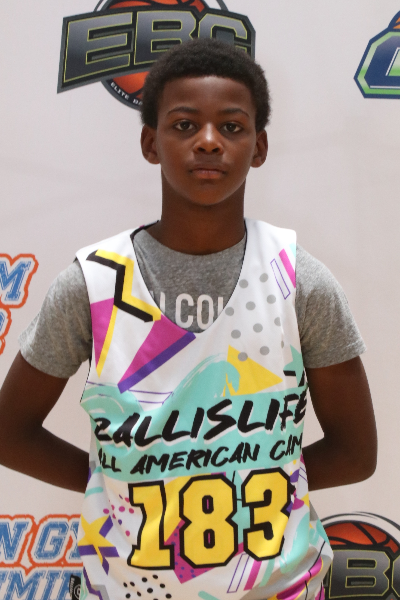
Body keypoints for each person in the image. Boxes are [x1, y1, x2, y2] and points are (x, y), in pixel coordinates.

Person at [0, 39, 376, 600]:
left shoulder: (300, 282)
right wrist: (122, 487)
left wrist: (245, 484)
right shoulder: (93, 284)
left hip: (279, 588)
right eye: (184, 125)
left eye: (231, 126)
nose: (208, 141)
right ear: (150, 143)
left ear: (259, 146)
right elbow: (9, 434)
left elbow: (356, 452)